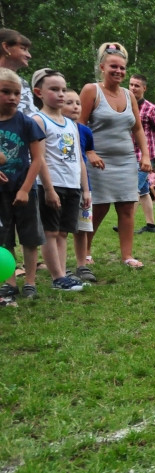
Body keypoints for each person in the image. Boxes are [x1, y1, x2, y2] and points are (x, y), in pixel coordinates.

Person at [80, 42, 151, 270]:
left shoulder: (129, 95)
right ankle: (86, 251)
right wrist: (88, 151)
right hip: (98, 161)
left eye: (122, 68)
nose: (118, 71)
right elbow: (79, 125)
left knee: (127, 207)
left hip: (126, 159)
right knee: (99, 207)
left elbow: (137, 128)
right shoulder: (91, 90)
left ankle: (127, 256)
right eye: (113, 66)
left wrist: (145, 156)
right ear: (102, 66)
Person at [31, 69, 90, 293]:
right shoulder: (38, 120)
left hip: (72, 185)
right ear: (39, 92)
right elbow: (40, 159)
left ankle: (64, 274)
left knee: (64, 231)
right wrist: (48, 189)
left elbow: (80, 160)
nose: (61, 94)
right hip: (51, 184)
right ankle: (57, 277)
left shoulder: (71, 124)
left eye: (63, 89)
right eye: (54, 89)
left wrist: (85, 189)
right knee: (50, 232)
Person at [0, 68, 45, 303]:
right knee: (3, 239)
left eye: (17, 93)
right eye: (5, 92)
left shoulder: (25, 123)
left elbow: (37, 158)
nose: (13, 97)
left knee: (29, 237)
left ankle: (30, 282)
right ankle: (8, 283)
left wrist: (26, 189)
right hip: (1, 194)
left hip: (25, 189)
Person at [61, 88, 98, 283]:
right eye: (69, 102)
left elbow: (86, 156)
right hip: (60, 185)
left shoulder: (84, 131)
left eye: (77, 103)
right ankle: (60, 267)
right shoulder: (53, 128)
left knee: (82, 228)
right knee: (60, 230)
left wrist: (86, 189)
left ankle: (81, 264)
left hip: (82, 186)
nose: (75, 106)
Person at [128, 73, 155, 234]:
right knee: (144, 191)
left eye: (136, 85)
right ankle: (150, 225)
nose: (133, 88)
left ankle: (126, 223)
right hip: (129, 154)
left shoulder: (151, 109)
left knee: (134, 190)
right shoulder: (125, 106)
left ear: (144, 88)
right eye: (131, 84)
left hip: (145, 157)